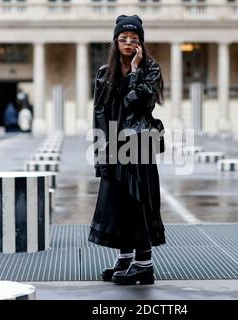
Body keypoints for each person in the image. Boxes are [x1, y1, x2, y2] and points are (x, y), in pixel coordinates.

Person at [89, 15, 166, 286]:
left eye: (134, 39)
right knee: (118, 202)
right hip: (113, 144)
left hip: (139, 144)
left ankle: (144, 264)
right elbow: (99, 112)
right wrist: (101, 151)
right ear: (115, 41)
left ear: (141, 43)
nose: (128, 43)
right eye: (123, 38)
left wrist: (134, 72)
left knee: (139, 202)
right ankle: (125, 259)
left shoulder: (150, 69)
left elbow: (140, 102)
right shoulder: (104, 73)